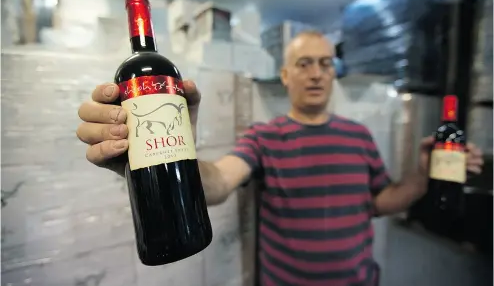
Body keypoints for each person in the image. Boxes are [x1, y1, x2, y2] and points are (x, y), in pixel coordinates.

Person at [76, 31, 484, 286]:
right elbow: (217, 183)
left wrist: (424, 176)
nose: (316, 73)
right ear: (286, 76)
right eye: (303, 63)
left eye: (325, 64)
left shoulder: (358, 136)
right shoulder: (264, 137)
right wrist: (175, 151)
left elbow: (378, 202)